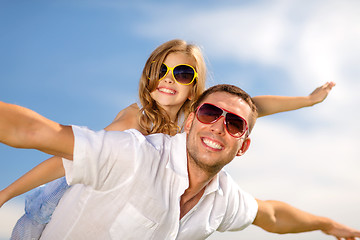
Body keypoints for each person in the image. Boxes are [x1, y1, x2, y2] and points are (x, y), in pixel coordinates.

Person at [1, 39, 335, 239]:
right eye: (160, 70)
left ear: (195, 86)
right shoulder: (136, 119)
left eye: (182, 73)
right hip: (80, 192)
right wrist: (6, 194)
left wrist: (307, 100)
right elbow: (67, 155)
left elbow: (255, 106)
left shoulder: (199, 115)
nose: (168, 80)